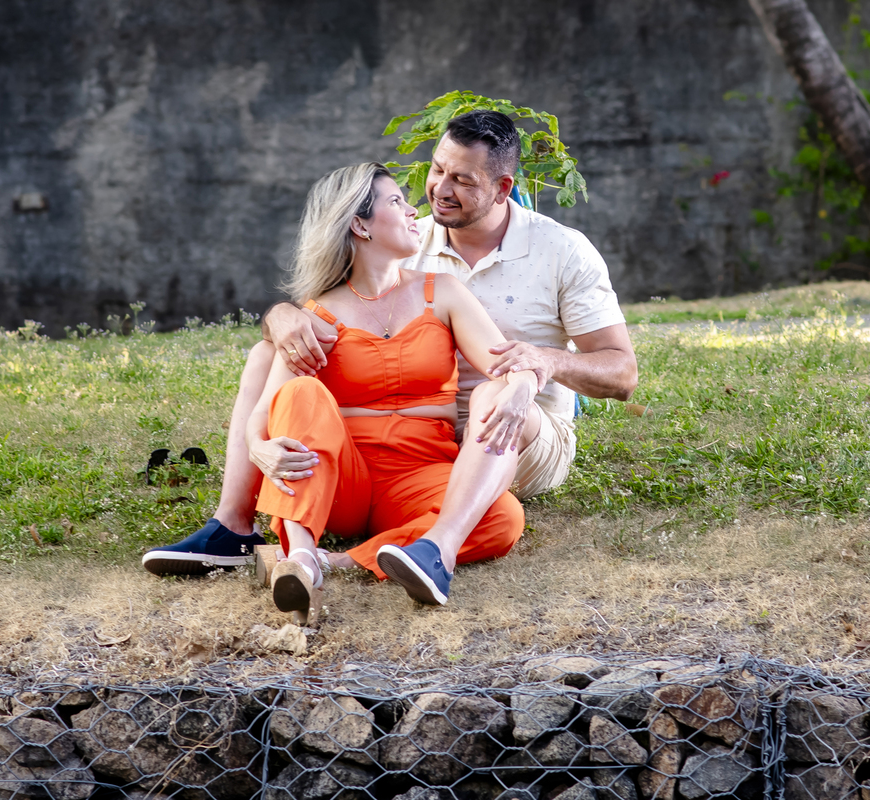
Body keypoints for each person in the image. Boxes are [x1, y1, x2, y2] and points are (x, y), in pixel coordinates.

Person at [142, 111, 638, 601]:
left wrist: (538, 370)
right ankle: (240, 528)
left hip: (506, 433)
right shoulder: (407, 239)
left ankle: (376, 555)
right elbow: (315, 316)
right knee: (277, 362)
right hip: (364, 465)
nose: (438, 190)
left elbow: (618, 373)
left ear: (503, 188)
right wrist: (281, 317)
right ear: (363, 225)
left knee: (500, 476)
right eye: (437, 169)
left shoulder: (557, 251)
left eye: (462, 179)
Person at [247, 162, 536, 610]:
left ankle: (340, 561)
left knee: (501, 516)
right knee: (302, 392)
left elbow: (506, 363)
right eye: (397, 201)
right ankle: (300, 555)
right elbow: (270, 409)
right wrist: (256, 446)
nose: (413, 211)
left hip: (421, 472)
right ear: (359, 224)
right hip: (343, 478)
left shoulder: (443, 292)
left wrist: (522, 383)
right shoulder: (316, 316)